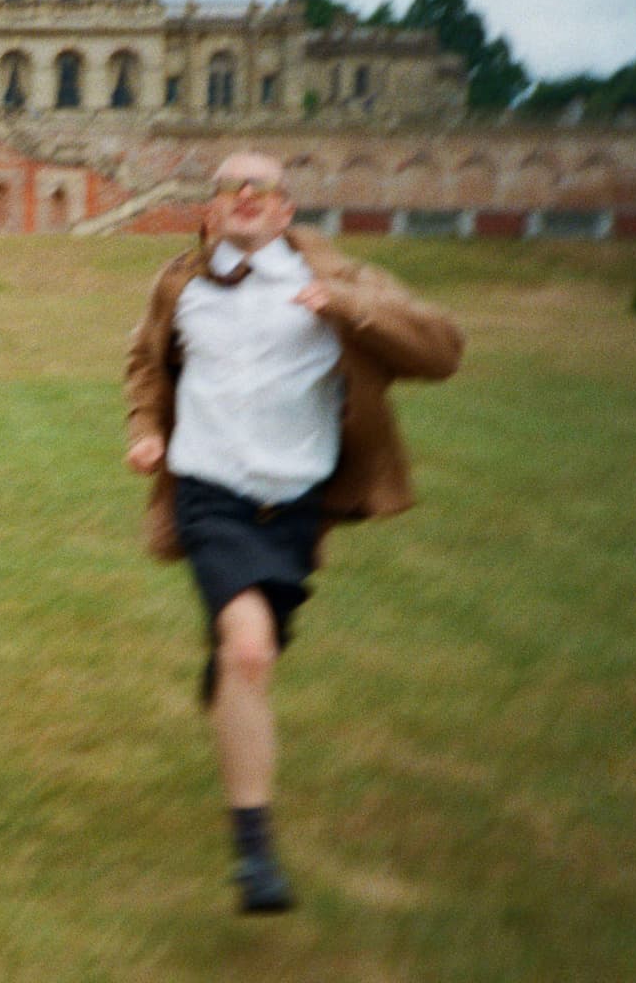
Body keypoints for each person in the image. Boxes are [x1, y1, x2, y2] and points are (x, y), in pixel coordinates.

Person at [125, 150, 463, 914]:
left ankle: (228, 663)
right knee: (251, 652)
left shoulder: (342, 280)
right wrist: (146, 428)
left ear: (286, 210)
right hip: (209, 494)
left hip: (294, 506)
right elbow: (145, 367)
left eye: (263, 187)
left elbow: (444, 351)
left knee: (246, 656)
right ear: (209, 212)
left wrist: (344, 309)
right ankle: (255, 856)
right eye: (229, 187)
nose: (245, 195)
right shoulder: (180, 286)